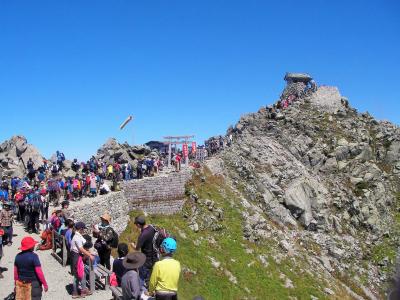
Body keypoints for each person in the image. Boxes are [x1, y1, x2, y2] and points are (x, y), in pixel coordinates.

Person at [132, 216, 157, 288]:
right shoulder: (151, 228)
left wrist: (133, 245)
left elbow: (137, 248)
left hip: (146, 259)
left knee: (143, 277)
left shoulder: (143, 235)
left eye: (136, 224)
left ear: (139, 225)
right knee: (150, 276)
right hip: (154, 256)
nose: (136, 226)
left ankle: (142, 292)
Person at [70, 222, 94, 298]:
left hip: (76, 256)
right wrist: (89, 254)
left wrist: (88, 252)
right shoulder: (76, 237)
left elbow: (83, 243)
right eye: (83, 229)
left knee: (80, 274)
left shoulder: (77, 235)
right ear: (81, 229)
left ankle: (82, 290)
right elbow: (81, 249)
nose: (84, 231)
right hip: (76, 257)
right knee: (78, 275)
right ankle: (76, 292)